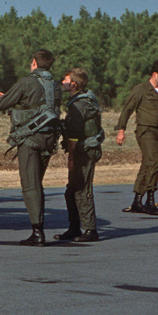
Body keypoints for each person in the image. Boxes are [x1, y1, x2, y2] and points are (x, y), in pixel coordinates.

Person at [0, 49, 61, 246]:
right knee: (37, 184)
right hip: (49, 139)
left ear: (34, 63)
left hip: (30, 140)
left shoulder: (26, 82)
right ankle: (38, 229)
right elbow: (41, 106)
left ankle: (38, 233)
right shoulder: (55, 86)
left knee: (31, 187)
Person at [115, 61, 158, 216]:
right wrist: (121, 130)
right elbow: (127, 109)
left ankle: (137, 201)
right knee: (155, 161)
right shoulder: (141, 89)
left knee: (148, 164)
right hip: (145, 131)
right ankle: (150, 201)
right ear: (155, 74)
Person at [57, 67, 103, 242]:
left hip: (83, 152)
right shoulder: (81, 101)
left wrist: (71, 158)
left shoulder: (79, 105)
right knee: (71, 191)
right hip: (83, 150)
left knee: (82, 190)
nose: (63, 82)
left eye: (66, 79)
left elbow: (75, 136)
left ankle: (90, 230)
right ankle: (75, 227)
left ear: (74, 84)